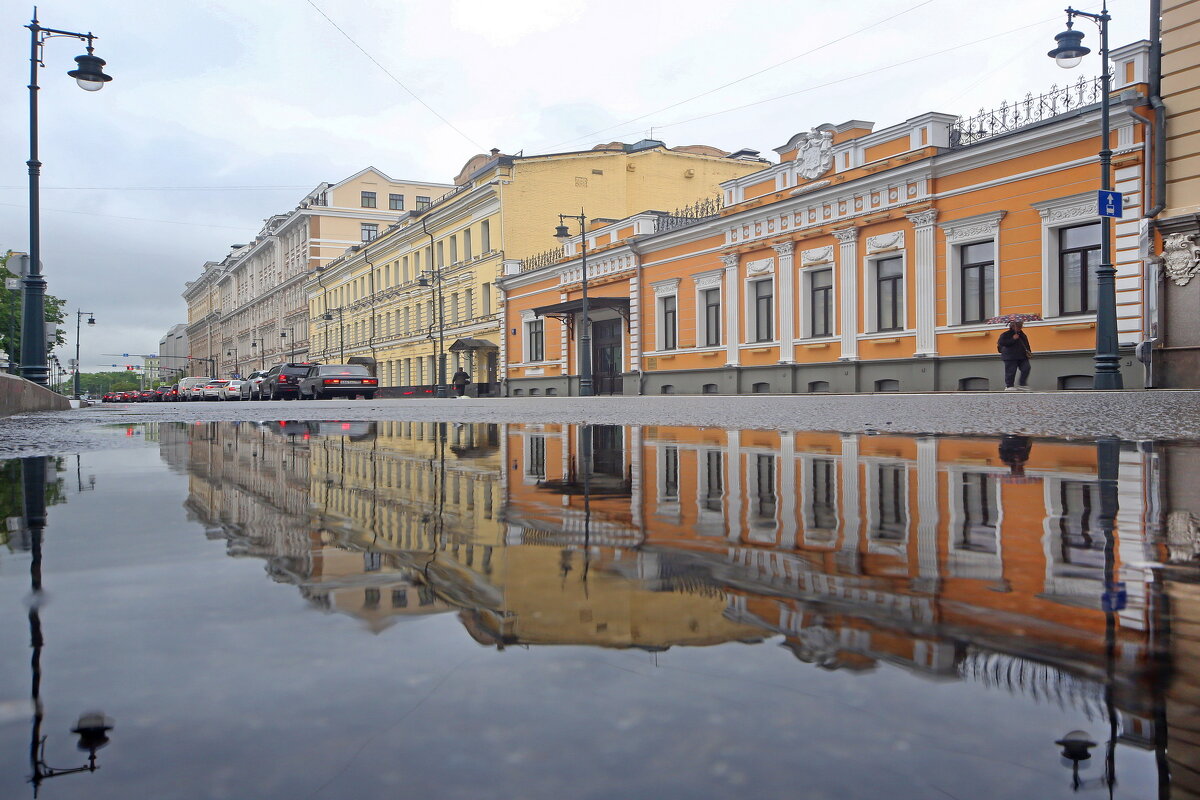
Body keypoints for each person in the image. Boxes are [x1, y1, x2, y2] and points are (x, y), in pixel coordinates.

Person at [996, 320, 1033, 391]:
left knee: (1026, 368)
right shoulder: (1005, 334)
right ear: (1013, 326)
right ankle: (1009, 386)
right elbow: (1002, 343)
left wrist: (1029, 351)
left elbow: (1026, 344)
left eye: (1021, 326)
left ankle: (1022, 384)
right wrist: (1013, 339)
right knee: (1011, 371)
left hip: (1022, 356)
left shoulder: (1022, 334)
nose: (1021, 327)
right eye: (1019, 326)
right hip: (1010, 356)